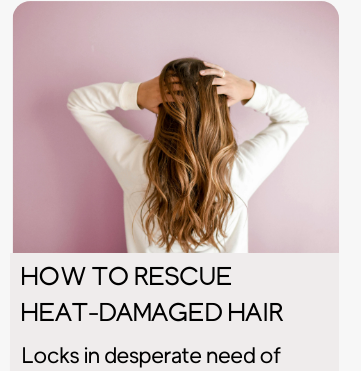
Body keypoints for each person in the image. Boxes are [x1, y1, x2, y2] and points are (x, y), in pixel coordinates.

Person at [67, 57, 309, 253]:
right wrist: (249, 90)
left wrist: (137, 93)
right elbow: (295, 118)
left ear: (162, 108)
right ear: (220, 112)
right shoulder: (238, 172)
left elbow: (79, 102)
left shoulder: (138, 165)